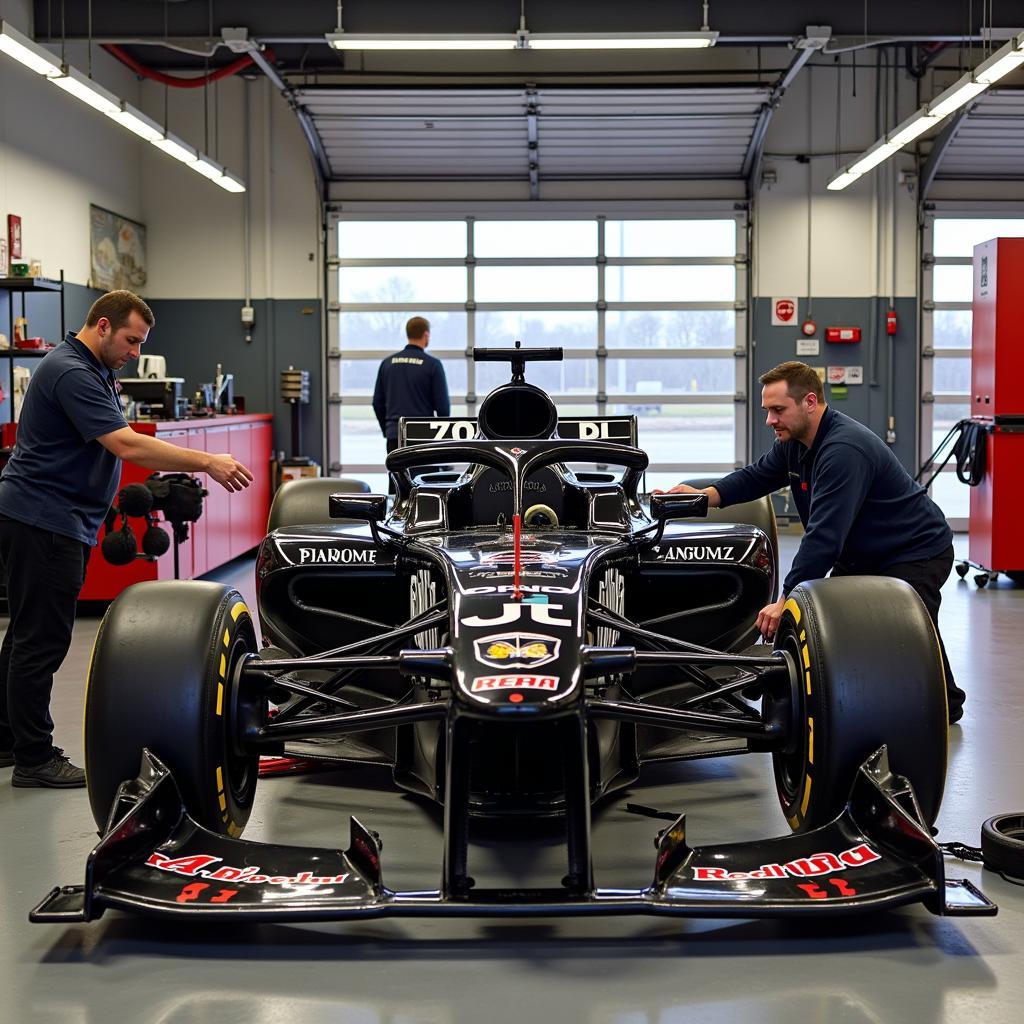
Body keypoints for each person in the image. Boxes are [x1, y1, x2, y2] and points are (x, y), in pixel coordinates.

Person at [0, 290, 253, 788]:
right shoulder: (72, 371)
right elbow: (125, 442)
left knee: (26, 635)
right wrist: (207, 461)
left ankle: (8, 739)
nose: (135, 352)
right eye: (131, 340)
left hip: (43, 517)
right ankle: (34, 756)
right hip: (45, 521)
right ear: (101, 327)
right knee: (41, 641)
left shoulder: (90, 369)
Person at [658, 360, 966, 724]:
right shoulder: (795, 443)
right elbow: (755, 478)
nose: (770, 420)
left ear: (809, 402)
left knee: (906, 632)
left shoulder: (843, 451)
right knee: (836, 625)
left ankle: (945, 703)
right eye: (767, 411)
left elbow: (824, 536)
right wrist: (701, 495)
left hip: (915, 550)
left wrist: (785, 597)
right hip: (864, 551)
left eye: (777, 410)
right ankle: (855, 698)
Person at [372, 317, 450, 489]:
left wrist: (388, 430)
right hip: (424, 437)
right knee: (426, 485)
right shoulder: (433, 365)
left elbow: (377, 403)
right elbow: (443, 409)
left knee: (398, 486)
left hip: (396, 436)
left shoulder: (387, 364)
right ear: (426, 335)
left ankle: (397, 515)